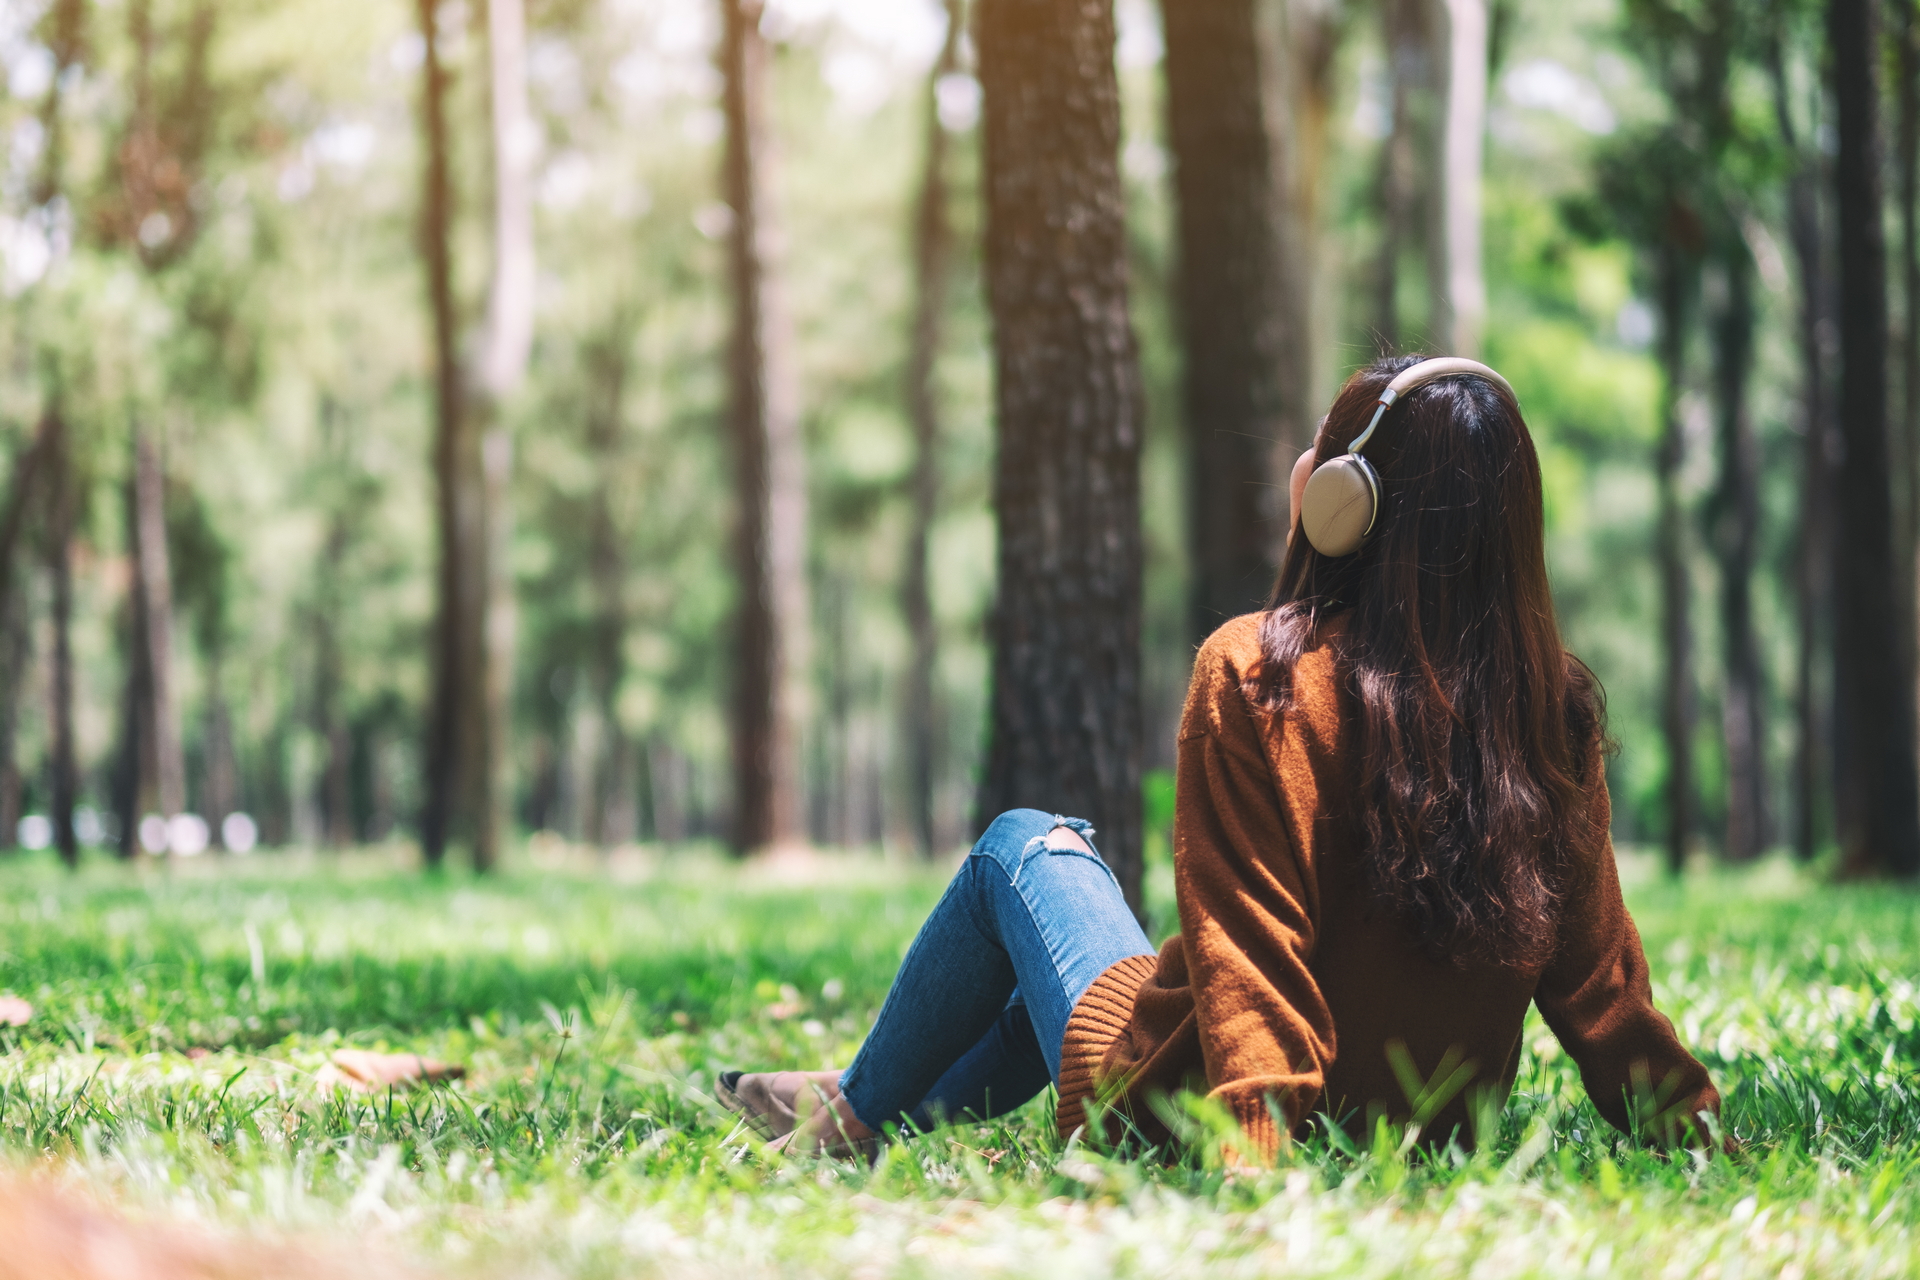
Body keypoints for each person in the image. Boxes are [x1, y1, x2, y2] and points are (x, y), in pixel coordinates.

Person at [720, 355, 1721, 1161]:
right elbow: (1602, 984)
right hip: (1431, 1135)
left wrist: (1253, 1162)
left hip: (1175, 1112)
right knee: (1041, 992)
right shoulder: (1549, 708)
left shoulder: (1258, 673)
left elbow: (1251, 948)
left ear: (1341, 499)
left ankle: (854, 1109)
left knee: (1025, 847)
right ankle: (864, 1104)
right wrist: (1696, 1130)